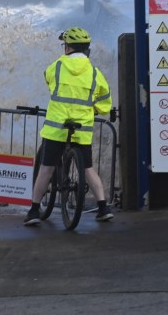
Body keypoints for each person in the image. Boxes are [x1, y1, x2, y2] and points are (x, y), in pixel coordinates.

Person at [24, 27, 114, 226]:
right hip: (82, 129)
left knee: (46, 169)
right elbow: (105, 100)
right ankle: (103, 207)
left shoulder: (57, 66)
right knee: (88, 169)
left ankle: (34, 210)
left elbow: (48, 80)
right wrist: (95, 110)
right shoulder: (94, 72)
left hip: (56, 129)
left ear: (68, 47)